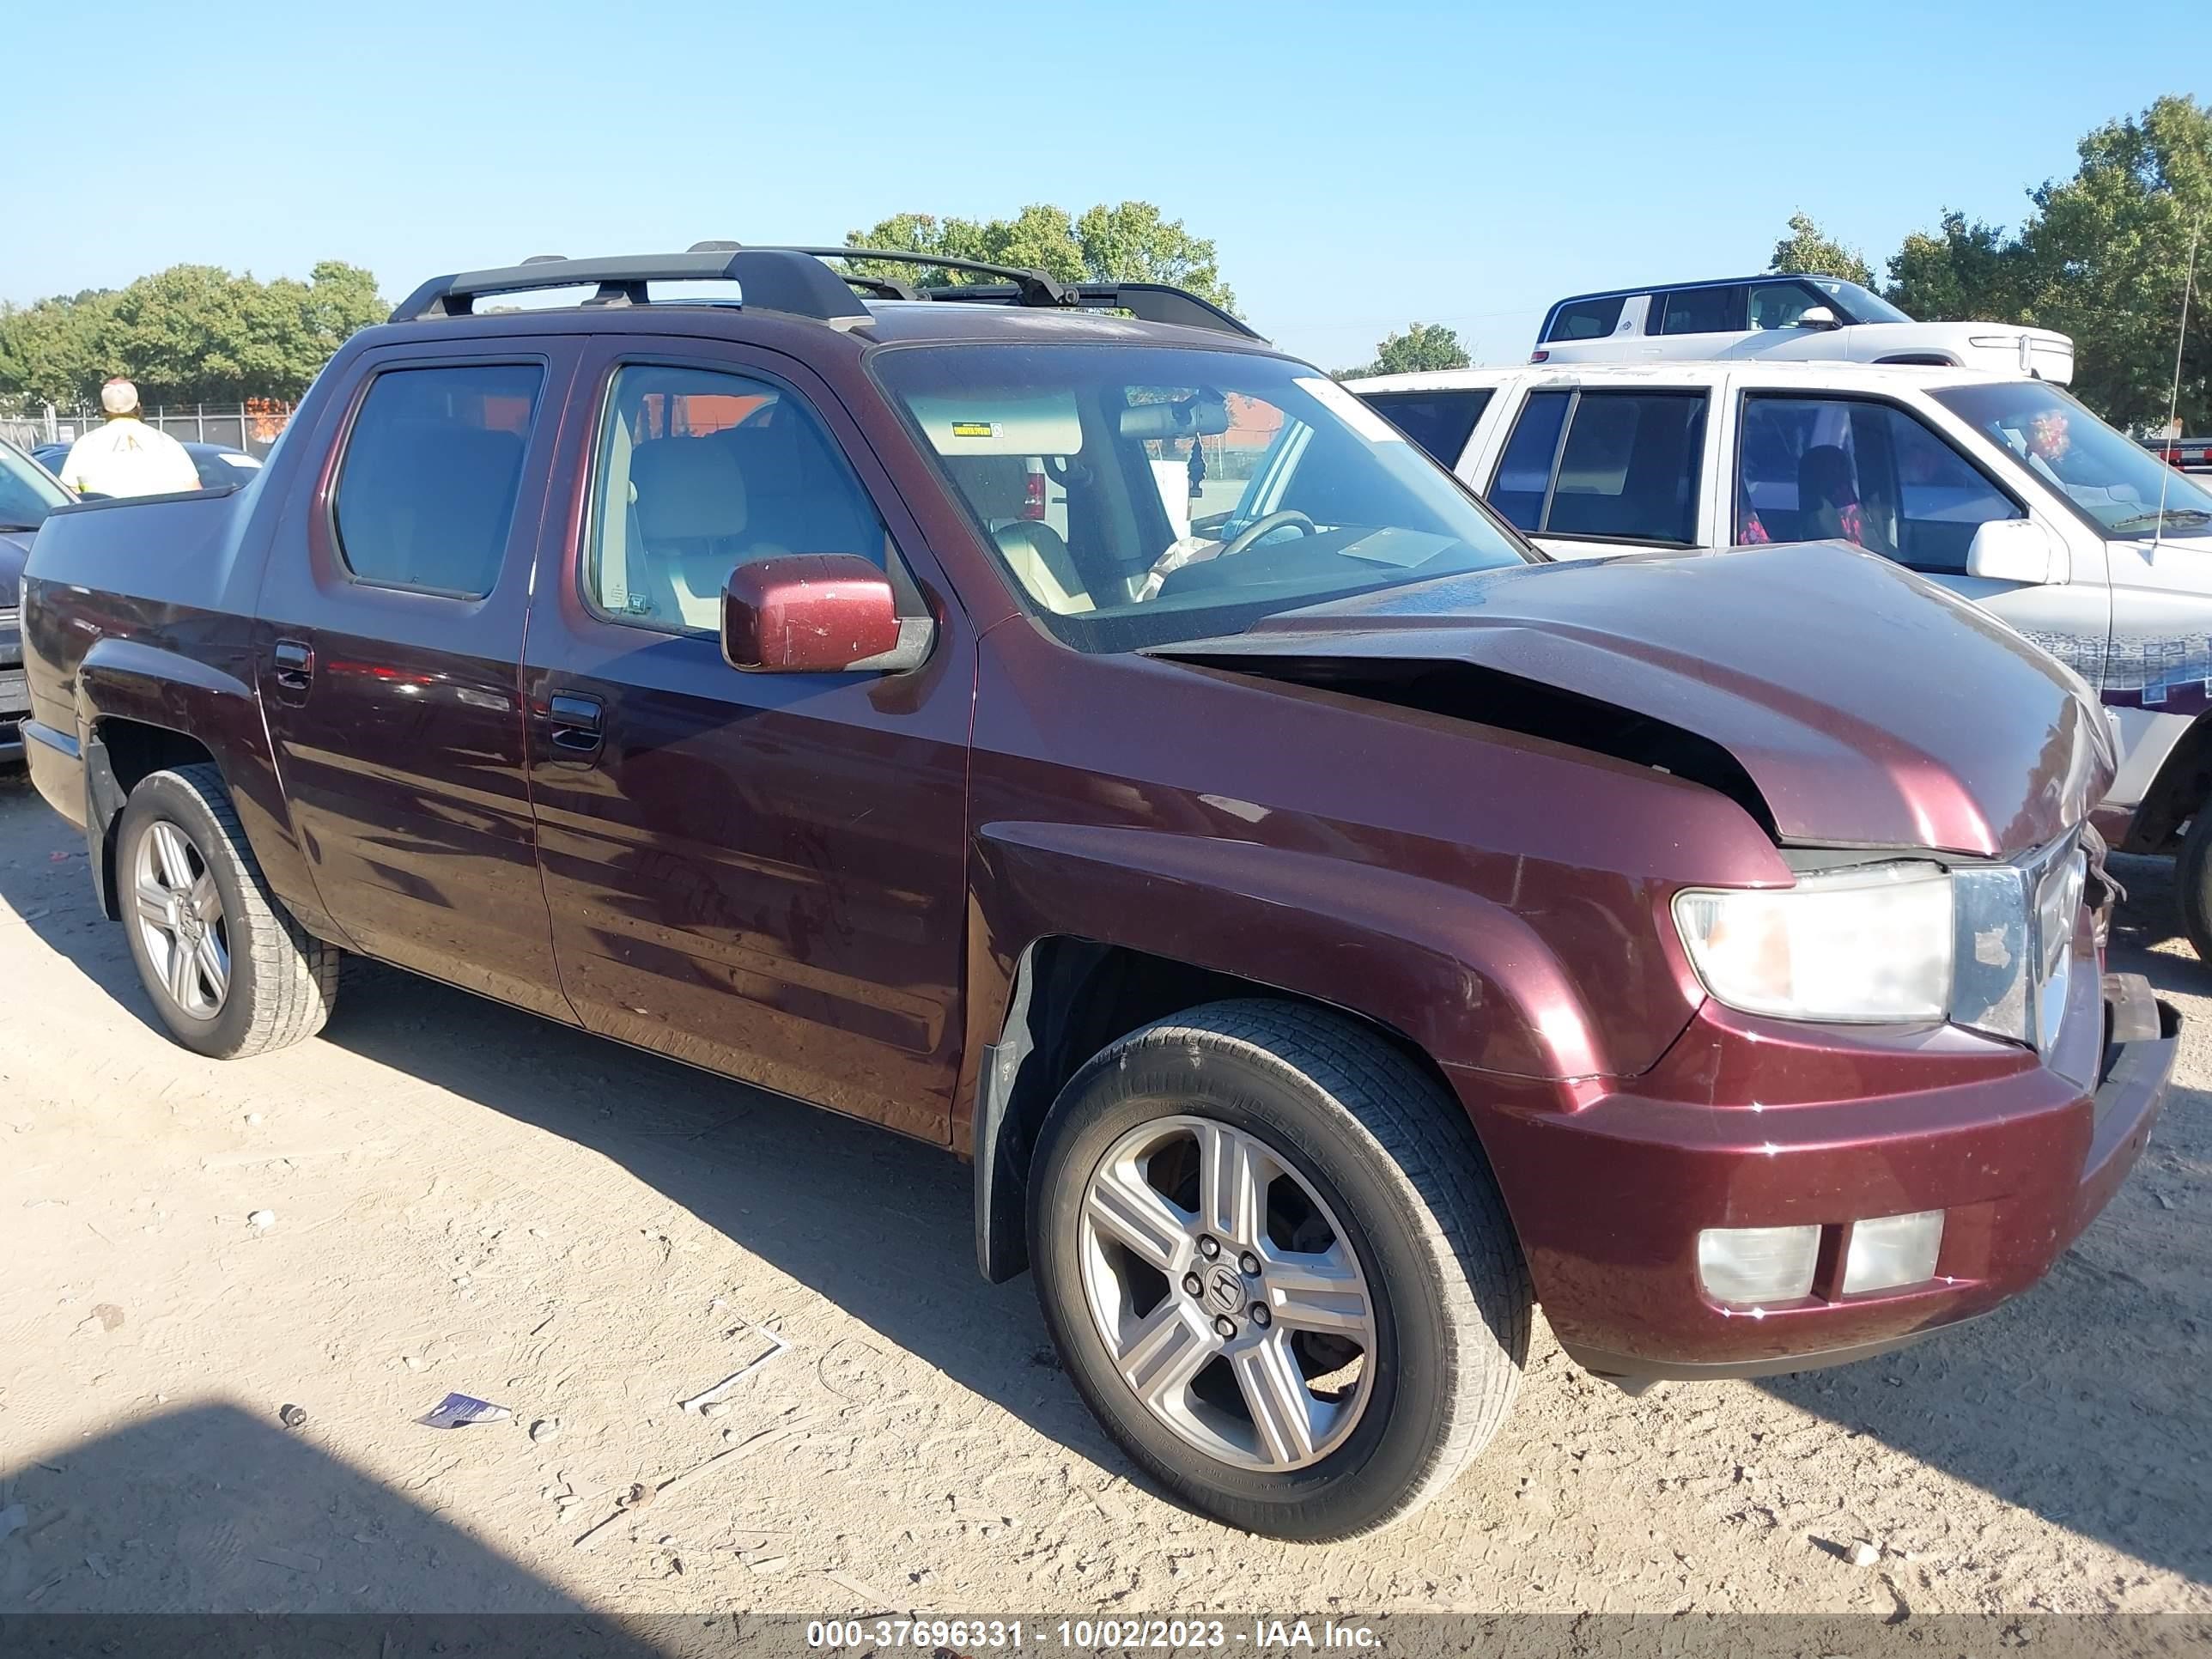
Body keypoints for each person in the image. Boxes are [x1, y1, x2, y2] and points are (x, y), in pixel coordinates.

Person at [59, 379, 203, 499]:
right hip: (163, 528)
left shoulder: (85, 445)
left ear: (103, 409)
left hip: (105, 529)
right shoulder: (166, 442)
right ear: (138, 406)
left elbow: (70, 499)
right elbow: (196, 495)